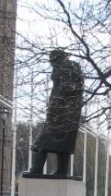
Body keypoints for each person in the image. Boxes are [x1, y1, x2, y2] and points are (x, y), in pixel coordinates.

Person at [28, 49, 84, 177]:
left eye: (52, 61)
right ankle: (61, 171)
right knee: (63, 148)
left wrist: (53, 106)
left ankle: (37, 170)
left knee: (38, 146)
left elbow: (64, 90)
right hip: (70, 118)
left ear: (56, 59)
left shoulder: (65, 69)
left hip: (59, 117)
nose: (51, 64)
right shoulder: (73, 69)